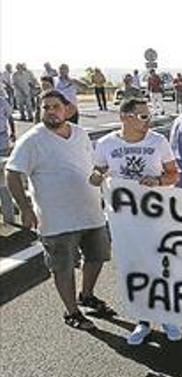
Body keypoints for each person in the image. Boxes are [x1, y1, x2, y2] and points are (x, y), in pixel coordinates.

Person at [5, 90, 115, 330]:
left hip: (91, 212)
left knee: (98, 256)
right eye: (46, 108)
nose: (51, 111)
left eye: (55, 106)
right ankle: (72, 312)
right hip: (56, 219)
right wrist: (25, 208)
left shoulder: (81, 134)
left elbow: (91, 167)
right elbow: (12, 173)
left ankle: (87, 295)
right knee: (63, 267)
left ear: (68, 110)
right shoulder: (33, 140)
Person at [89, 98, 182, 344]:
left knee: (161, 268)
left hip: (156, 218)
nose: (147, 121)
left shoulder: (158, 141)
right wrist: (97, 176)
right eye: (142, 116)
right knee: (135, 269)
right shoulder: (106, 144)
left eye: (148, 115)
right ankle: (143, 320)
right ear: (124, 117)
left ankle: (167, 316)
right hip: (125, 223)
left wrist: (159, 182)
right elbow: (98, 170)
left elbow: (175, 174)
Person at [0, 93, 16, 224]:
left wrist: (13, 133)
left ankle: (9, 218)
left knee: (3, 182)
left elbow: (10, 117)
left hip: (2, 140)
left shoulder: (2, 101)